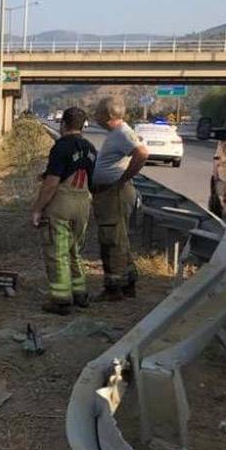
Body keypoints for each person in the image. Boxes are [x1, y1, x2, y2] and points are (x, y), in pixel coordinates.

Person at [31, 107, 98, 315]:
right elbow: (83, 174)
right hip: (83, 204)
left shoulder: (61, 147)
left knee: (57, 253)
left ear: (63, 124)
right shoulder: (90, 148)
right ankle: (80, 293)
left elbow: (52, 183)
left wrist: (37, 208)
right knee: (74, 251)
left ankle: (61, 300)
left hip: (62, 205)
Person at [91, 96, 151, 301]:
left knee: (112, 240)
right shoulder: (117, 134)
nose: (95, 116)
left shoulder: (122, 133)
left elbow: (142, 153)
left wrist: (122, 180)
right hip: (111, 192)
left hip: (114, 194)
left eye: (97, 112)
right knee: (120, 239)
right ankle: (128, 283)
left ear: (107, 115)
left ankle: (114, 288)